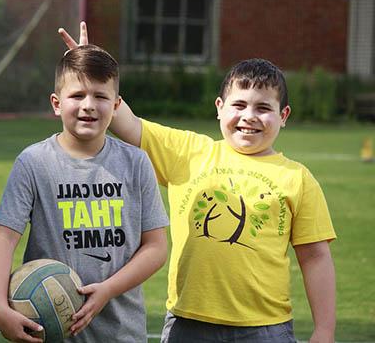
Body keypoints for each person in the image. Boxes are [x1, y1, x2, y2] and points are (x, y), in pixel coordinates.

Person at [59, 23, 336, 343]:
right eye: (239, 105)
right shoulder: (188, 152)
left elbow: (315, 257)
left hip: (265, 328)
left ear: (283, 115)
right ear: (219, 109)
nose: (249, 116)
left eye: (263, 108)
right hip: (187, 324)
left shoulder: (297, 178)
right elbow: (126, 121)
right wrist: (86, 71)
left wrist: (324, 330)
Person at [0, 44, 169, 343]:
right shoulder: (34, 162)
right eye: (77, 96)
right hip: (51, 334)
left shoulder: (136, 162)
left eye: (100, 96)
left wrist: (108, 289)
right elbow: (4, 238)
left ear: (116, 104)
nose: (88, 105)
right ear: (57, 103)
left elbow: (156, 247)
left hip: (121, 333)